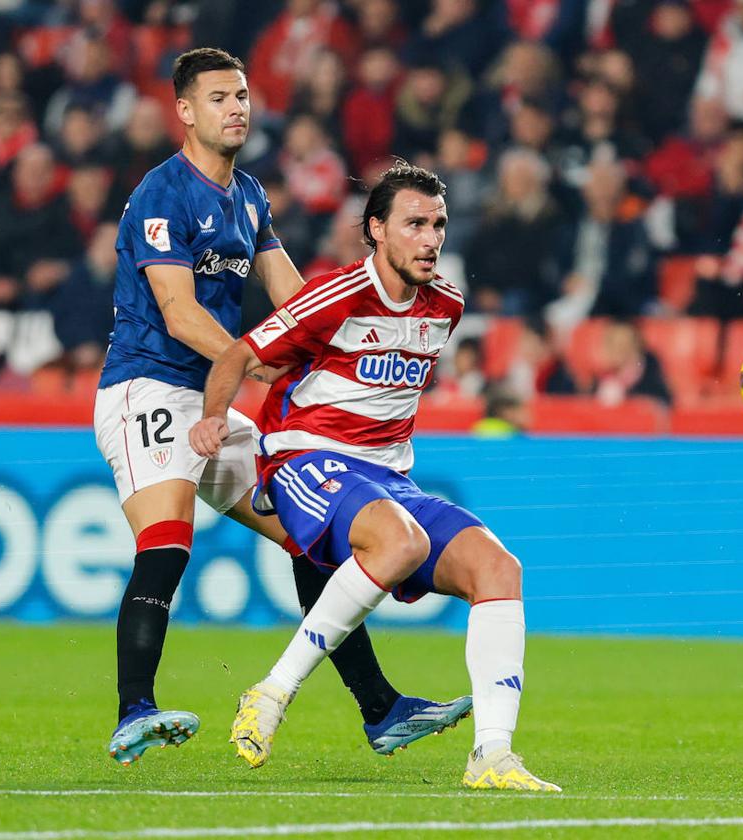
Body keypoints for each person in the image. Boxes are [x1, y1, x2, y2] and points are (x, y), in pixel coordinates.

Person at [94, 49, 469, 768]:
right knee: (168, 541)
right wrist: (258, 357)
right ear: (184, 110)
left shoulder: (249, 196)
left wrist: (328, 335)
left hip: (213, 396)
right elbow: (176, 312)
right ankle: (132, 709)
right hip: (150, 386)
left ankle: (381, 710)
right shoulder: (161, 194)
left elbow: (291, 293)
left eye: (241, 96)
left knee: (308, 532)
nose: (235, 108)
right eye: (217, 98)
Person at [190, 161, 560, 792]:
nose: (431, 238)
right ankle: (272, 693)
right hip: (305, 457)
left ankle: (492, 755)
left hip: (390, 476)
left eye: (438, 223)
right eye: (415, 223)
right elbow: (240, 355)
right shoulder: (335, 296)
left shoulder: (446, 305)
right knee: (400, 542)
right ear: (377, 230)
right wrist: (212, 417)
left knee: (500, 569)